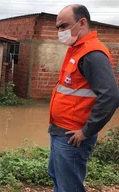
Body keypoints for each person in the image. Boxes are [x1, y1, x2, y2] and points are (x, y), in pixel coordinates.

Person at [48, 4, 119, 192]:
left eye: (64, 26)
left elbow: (110, 96)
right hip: (60, 130)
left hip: (73, 137)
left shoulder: (92, 54)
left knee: (69, 187)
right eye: (58, 28)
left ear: (82, 23)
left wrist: (86, 132)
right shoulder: (76, 49)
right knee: (58, 179)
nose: (60, 32)